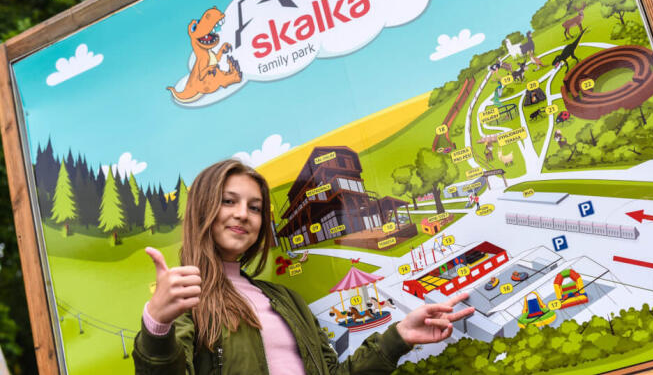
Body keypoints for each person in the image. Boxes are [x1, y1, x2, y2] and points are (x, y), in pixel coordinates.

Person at [132, 159, 475, 374]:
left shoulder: (286, 300)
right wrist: (157, 324)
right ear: (203, 209)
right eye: (228, 201)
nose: (243, 214)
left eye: (255, 208)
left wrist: (398, 338)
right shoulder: (186, 302)